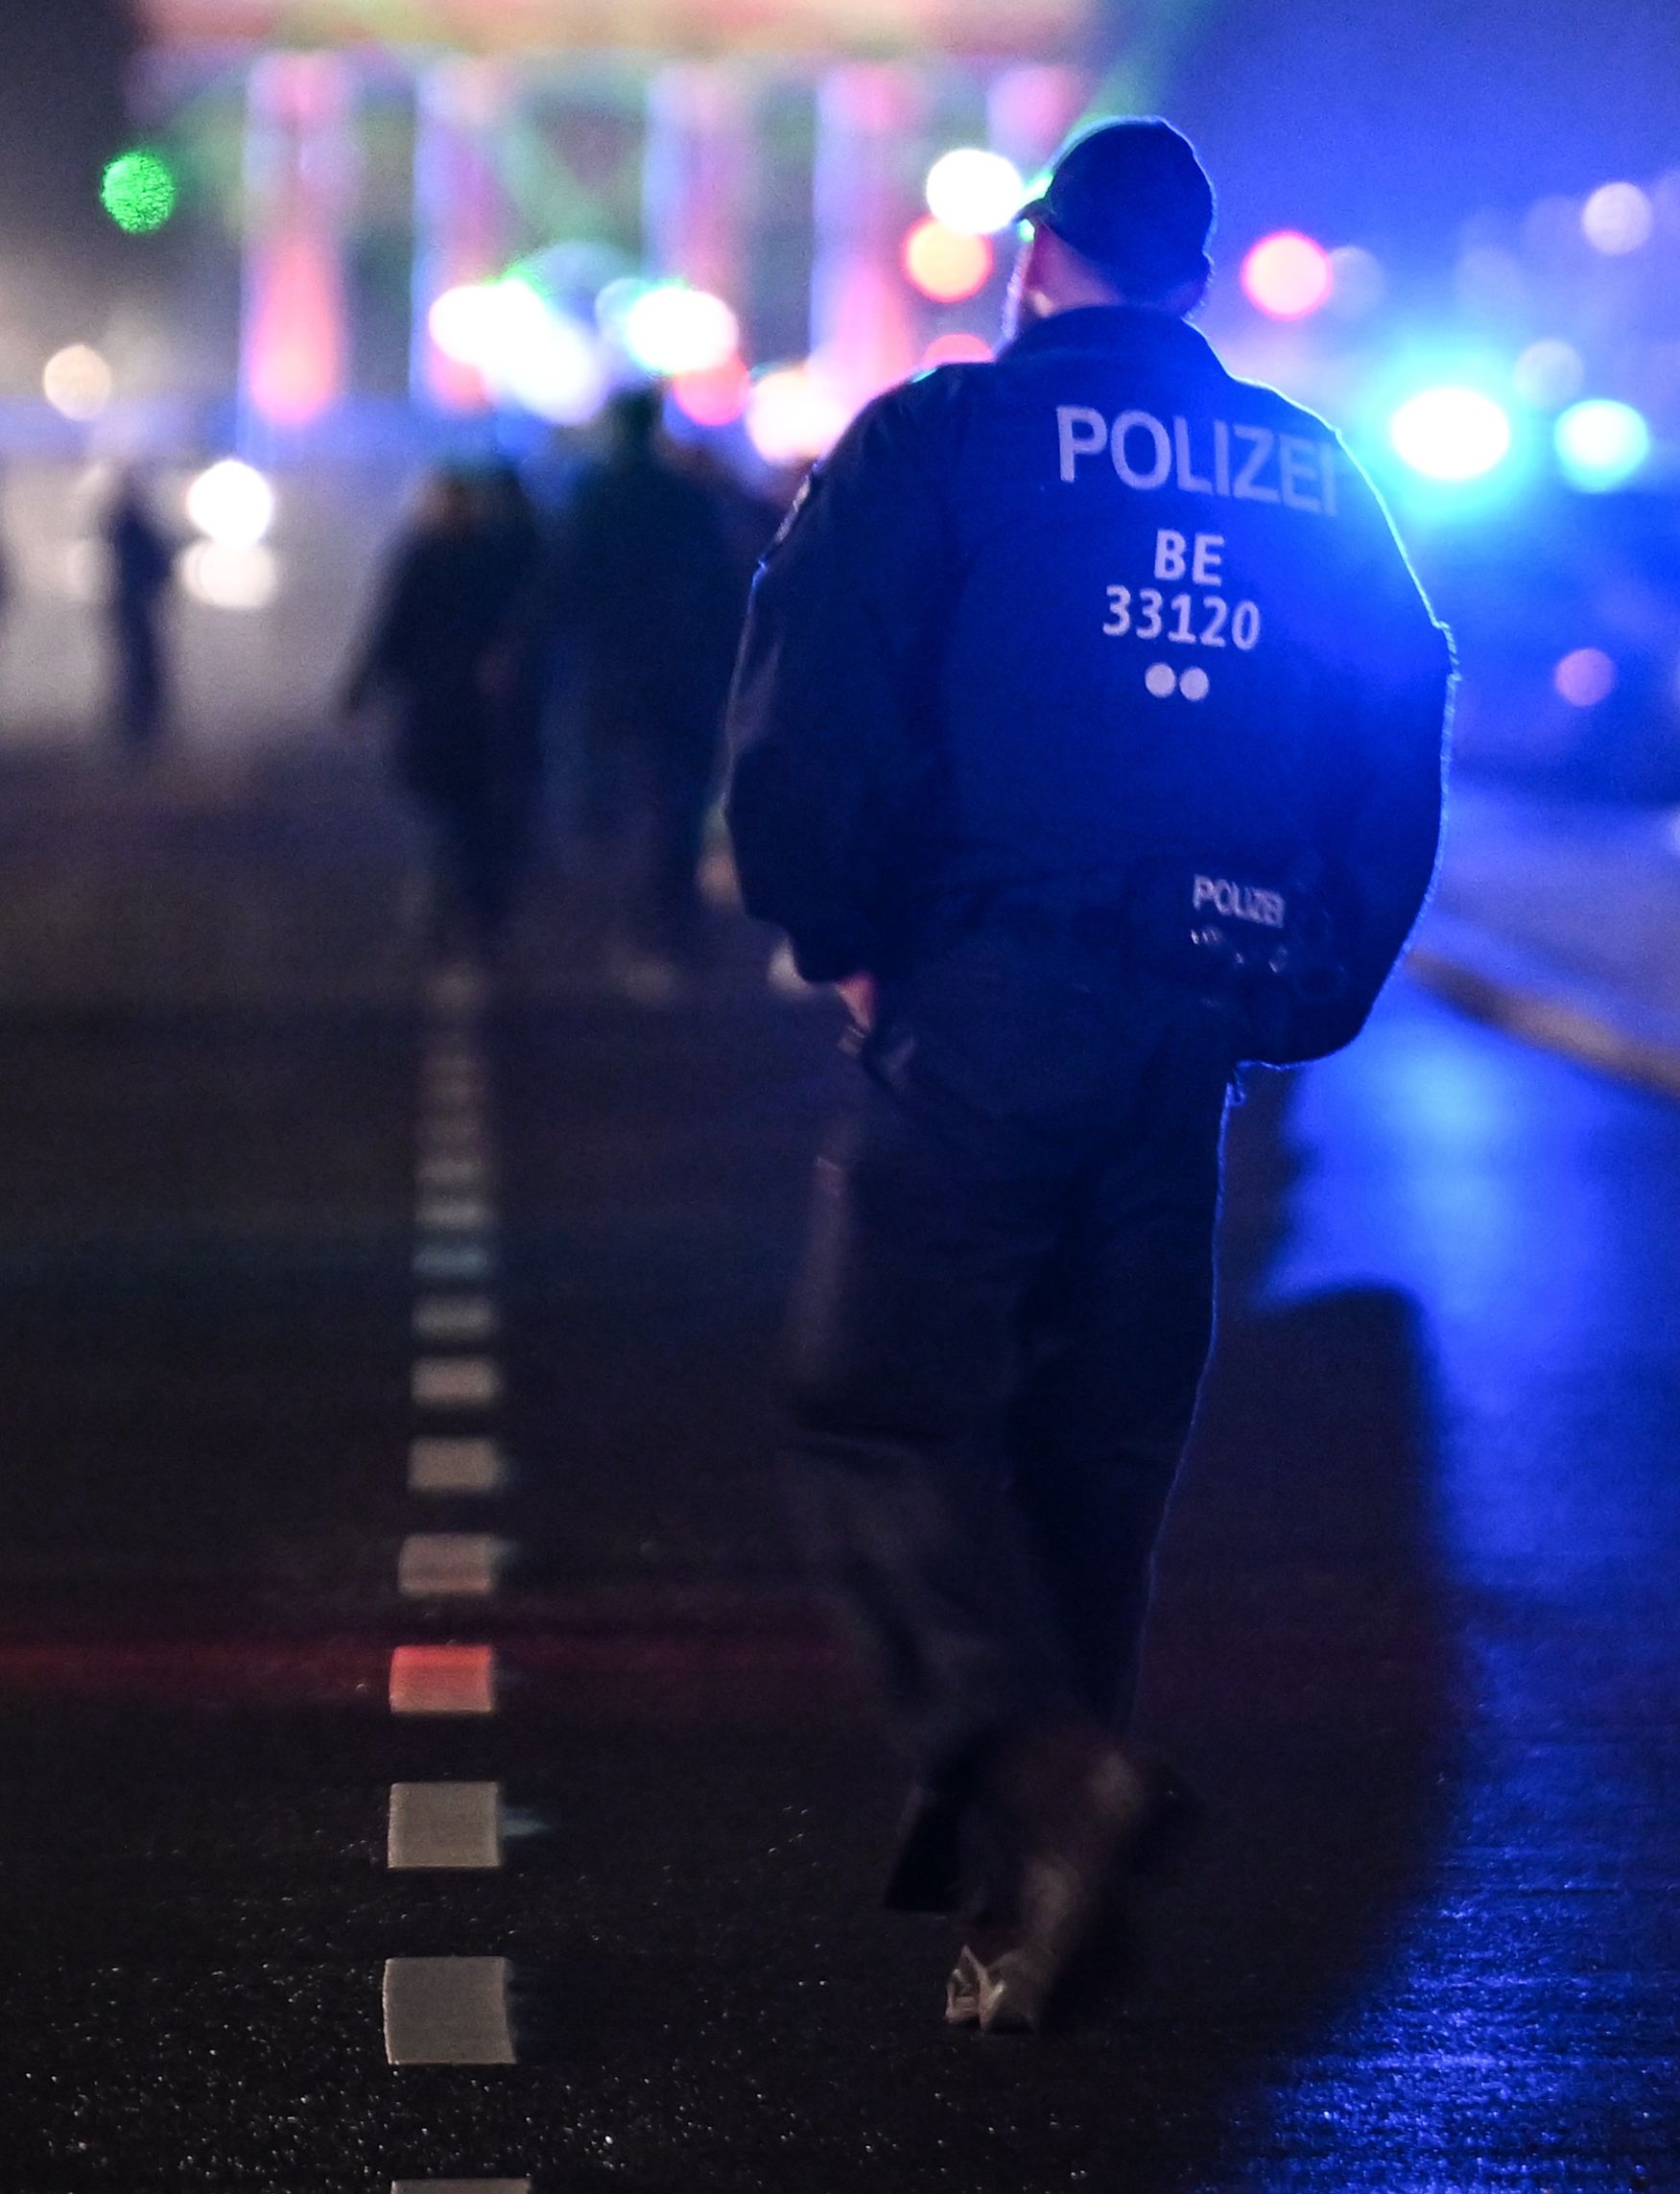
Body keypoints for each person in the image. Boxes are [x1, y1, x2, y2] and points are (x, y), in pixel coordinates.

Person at [725, 118, 1453, 2037]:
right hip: (1199, 1003)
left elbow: (816, 702)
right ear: (1196, 275)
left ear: (1038, 252)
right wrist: (1323, 966)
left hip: (990, 976)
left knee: (877, 1394)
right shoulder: (1306, 468)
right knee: (1102, 1440)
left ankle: (1043, 1786)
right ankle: (1020, 1903)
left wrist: (837, 928)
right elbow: (1403, 695)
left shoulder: (941, 438)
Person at [559, 385, 757, 987]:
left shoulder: (595, 496)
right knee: (676, 801)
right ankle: (673, 927)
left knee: (622, 798)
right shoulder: (686, 500)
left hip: (615, 674)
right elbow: (723, 586)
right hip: (685, 674)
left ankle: (635, 928)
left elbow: (566, 587)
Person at [343, 461, 545, 955]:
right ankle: (474, 905)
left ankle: (450, 900)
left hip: (441, 703)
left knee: (446, 804)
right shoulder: (483, 556)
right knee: (468, 805)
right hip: (467, 705)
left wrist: (362, 689)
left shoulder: (430, 554)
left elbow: (391, 626)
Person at [99, 469, 172, 754]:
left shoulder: (122, 526)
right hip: (136, 606)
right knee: (140, 668)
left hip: (131, 605)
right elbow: (156, 564)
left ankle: (136, 726)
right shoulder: (133, 527)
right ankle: (139, 728)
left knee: (134, 667)